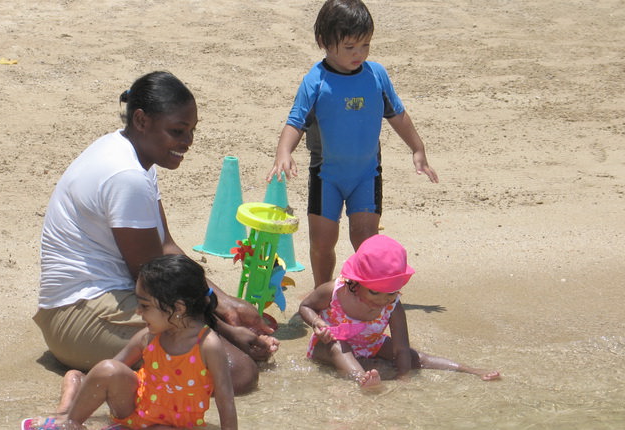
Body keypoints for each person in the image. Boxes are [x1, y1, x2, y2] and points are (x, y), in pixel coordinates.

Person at [33, 71, 278, 395]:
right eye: (177, 131)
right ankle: (90, 386)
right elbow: (153, 278)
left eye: (192, 131)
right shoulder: (126, 175)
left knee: (232, 356)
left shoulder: (131, 155)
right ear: (141, 120)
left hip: (100, 303)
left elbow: (165, 246)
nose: (188, 142)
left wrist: (226, 304)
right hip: (78, 317)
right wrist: (222, 327)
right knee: (238, 372)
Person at [266, 0, 440, 288]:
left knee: (365, 238)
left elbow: (397, 115)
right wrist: (283, 152)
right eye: (350, 47)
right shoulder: (316, 81)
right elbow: (295, 121)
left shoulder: (377, 75)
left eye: (365, 45)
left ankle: (369, 292)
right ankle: (324, 293)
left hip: (366, 175)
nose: (359, 54)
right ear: (324, 42)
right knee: (323, 242)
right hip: (327, 176)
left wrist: (417, 149)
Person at [32, 255, 238, 430]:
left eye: (145, 306)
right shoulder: (148, 336)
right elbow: (107, 374)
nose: (138, 311)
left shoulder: (207, 345)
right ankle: (69, 422)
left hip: (174, 426)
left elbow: (225, 398)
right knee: (104, 369)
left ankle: (67, 404)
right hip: (133, 413)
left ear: (179, 308)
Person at [299, 234, 500, 387]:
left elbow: (401, 347)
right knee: (339, 347)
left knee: (415, 357)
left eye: (391, 293)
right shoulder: (334, 291)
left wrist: (403, 377)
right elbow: (305, 306)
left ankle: (470, 370)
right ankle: (362, 381)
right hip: (327, 346)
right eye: (375, 293)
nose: (382, 300)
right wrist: (318, 323)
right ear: (356, 282)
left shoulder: (392, 305)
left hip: (371, 344)